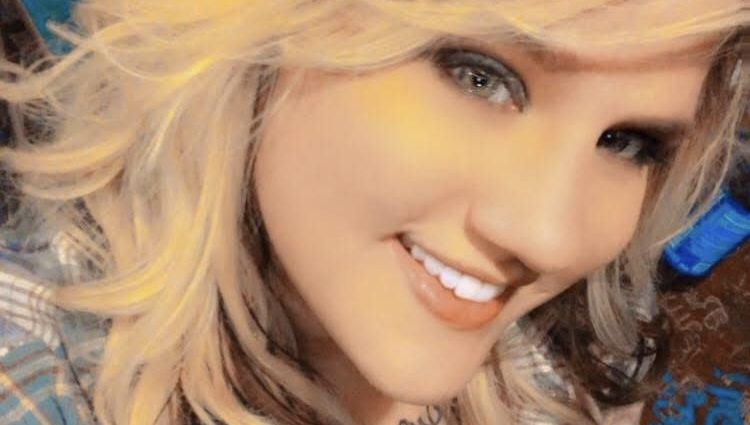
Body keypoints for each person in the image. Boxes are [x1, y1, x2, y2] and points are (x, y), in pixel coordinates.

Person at [0, 1, 747, 424]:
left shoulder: (568, 345)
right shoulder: (37, 377)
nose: (550, 239)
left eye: (628, 142)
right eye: (480, 77)